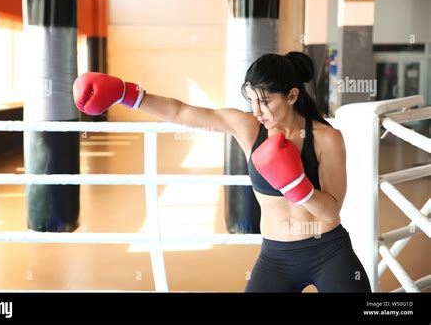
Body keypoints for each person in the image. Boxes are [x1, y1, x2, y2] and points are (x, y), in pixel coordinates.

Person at [72, 51, 372, 293]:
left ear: (292, 96)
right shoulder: (248, 128)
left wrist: (295, 184)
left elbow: (331, 212)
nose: (257, 111)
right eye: (252, 100)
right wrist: (126, 93)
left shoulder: (326, 138)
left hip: (327, 252)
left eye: (265, 102)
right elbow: (180, 111)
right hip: (276, 257)